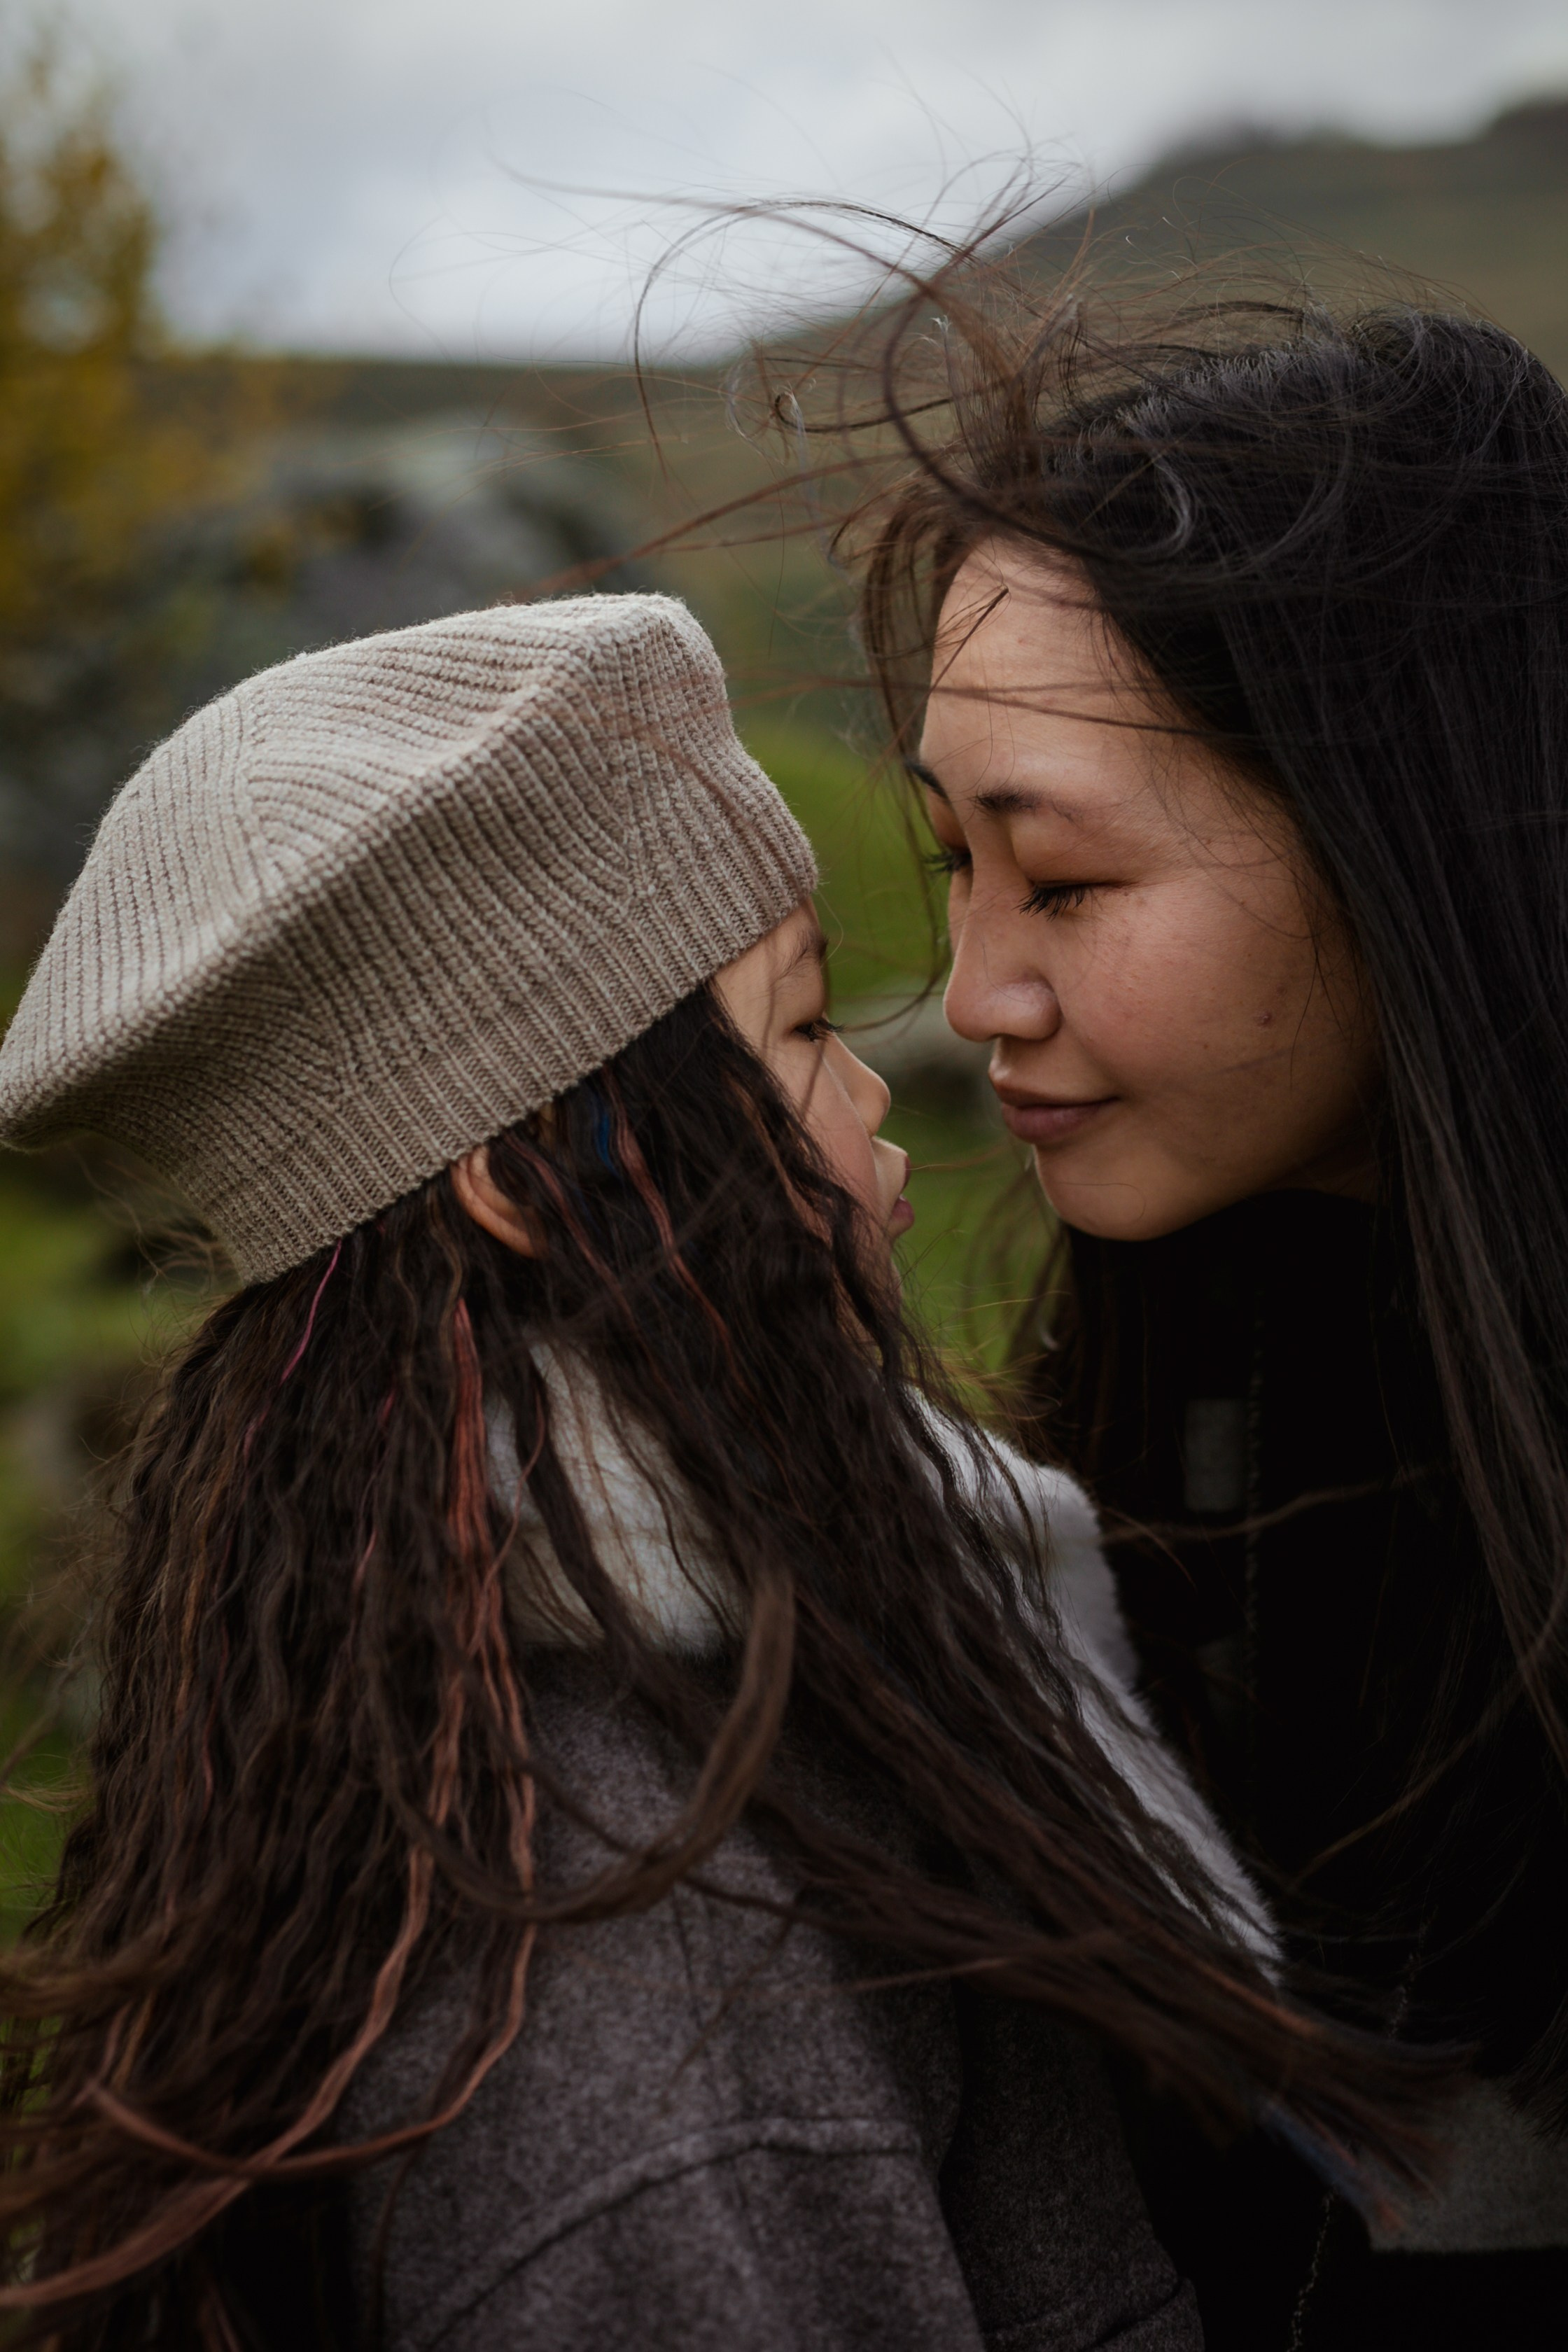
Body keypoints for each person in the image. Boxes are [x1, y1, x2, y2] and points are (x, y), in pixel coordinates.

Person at [0, 593, 1434, 2348]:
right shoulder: (655, 1988)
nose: (878, 1098)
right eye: (805, 1027)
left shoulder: (511, 1704)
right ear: (526, 1183)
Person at [841, 282, 1568, 2346]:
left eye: (1063, 883)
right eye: (952, 862)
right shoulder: (1197, 1421)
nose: (978, 996)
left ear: (1398, 837)